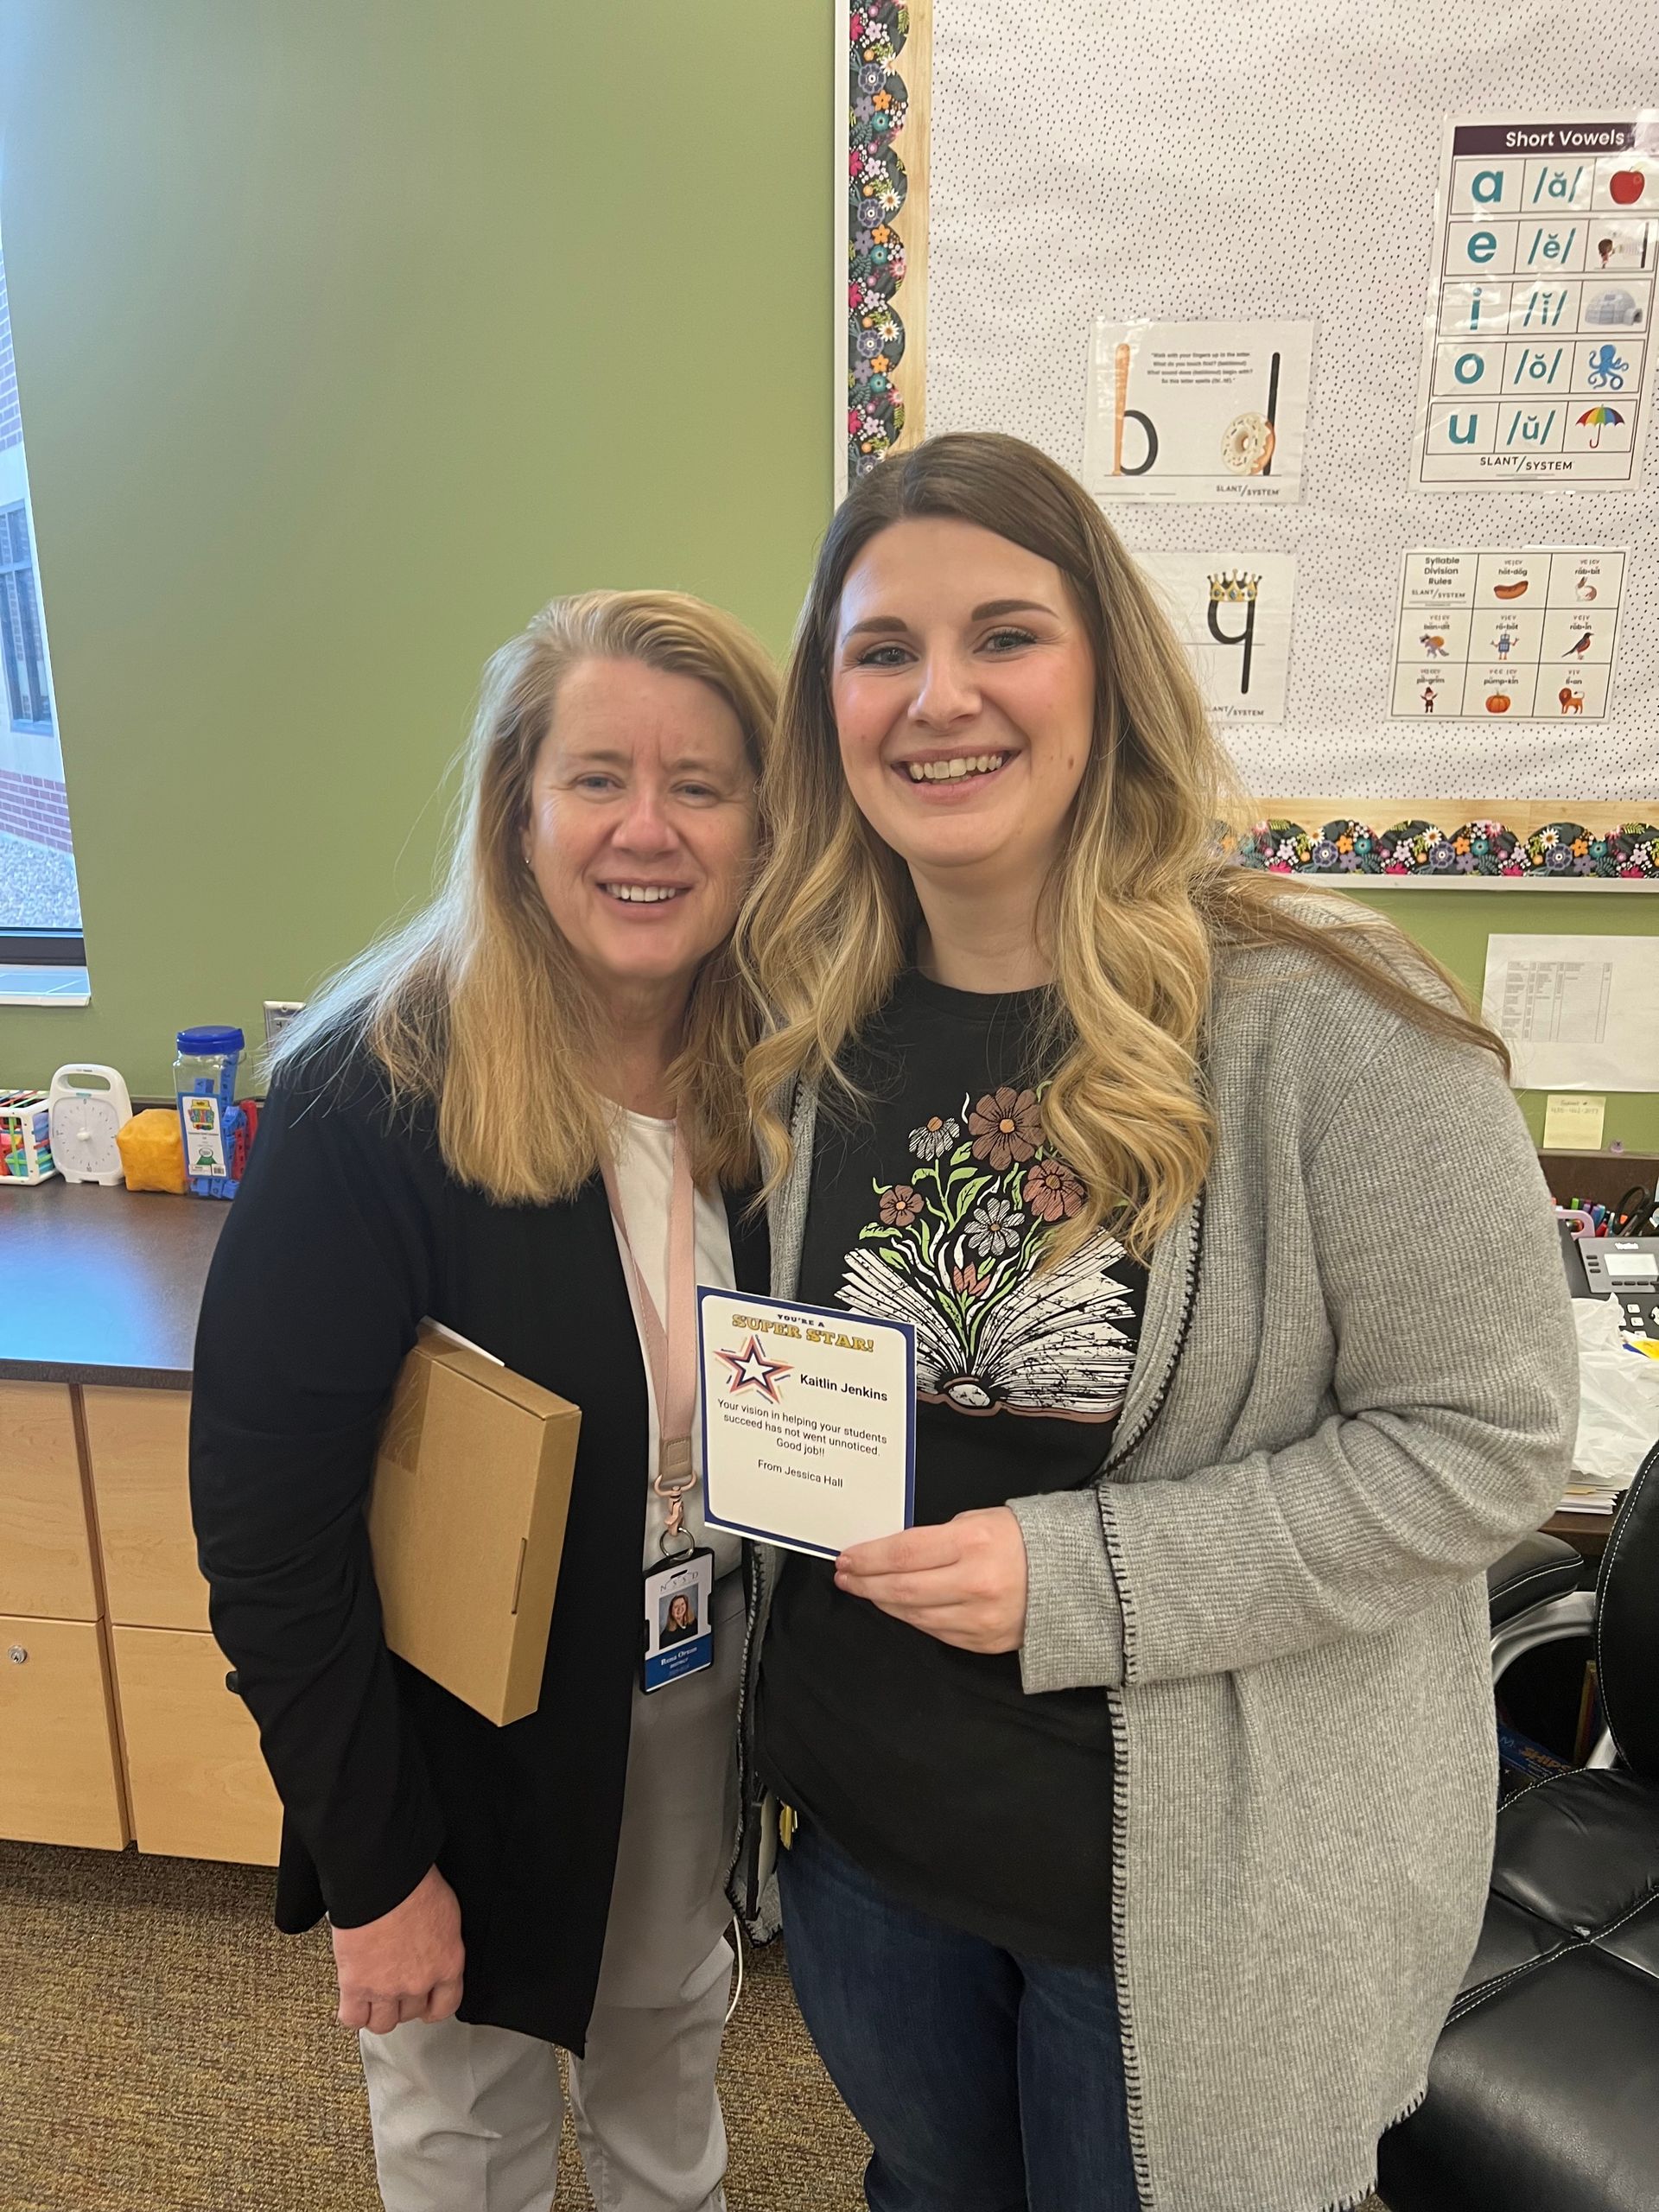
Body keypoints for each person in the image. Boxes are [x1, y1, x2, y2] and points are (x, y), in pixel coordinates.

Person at [729, 433, 1576, 2212]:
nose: (938, 697)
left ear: (1108, 667)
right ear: (827, 705)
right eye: (882, 650)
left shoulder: (1324, 1013)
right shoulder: (808, 1015)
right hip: (870, 1845)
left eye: (1005, 636)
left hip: (1192, 1891)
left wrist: (1090, 1576)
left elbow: (1488, 1442)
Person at [191, 590, 776, 2212]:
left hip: (689, 1691)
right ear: (519, 810)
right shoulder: (369, 1096)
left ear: (762, 825)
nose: (645, 829)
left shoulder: (790, 1082)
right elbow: (266, 1532)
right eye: (596, 778)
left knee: (669, 2062)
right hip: (456, 1742)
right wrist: (377, 1870)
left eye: (701, 785)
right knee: (468, 2126)